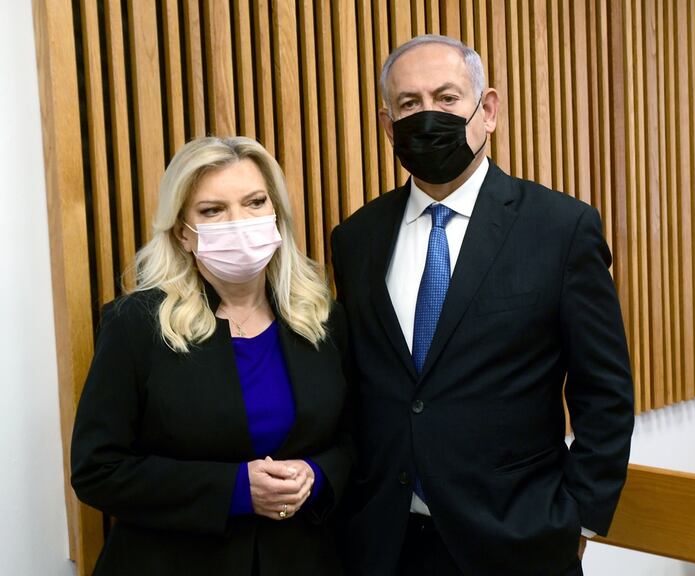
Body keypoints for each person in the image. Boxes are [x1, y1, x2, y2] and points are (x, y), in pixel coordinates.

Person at [331, 35, 634, 575]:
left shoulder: (561, 229)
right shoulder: (356, 239)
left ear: (487, 110)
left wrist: (578, 522)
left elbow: (605, 392)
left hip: (519, 542)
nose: (428, 116)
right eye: (409, 104)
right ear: (388, 126)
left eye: (447, 98)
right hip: (386, 544)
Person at [71, 136, 351, 575]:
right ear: (183, 232)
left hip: (302, 558)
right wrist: (235, 489)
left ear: (276, 214)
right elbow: (97, 470)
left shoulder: (321, 316)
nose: (239, 222)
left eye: (255, 202)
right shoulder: (136, 325)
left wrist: (316, 475)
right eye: (213, 210)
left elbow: (356, 440)